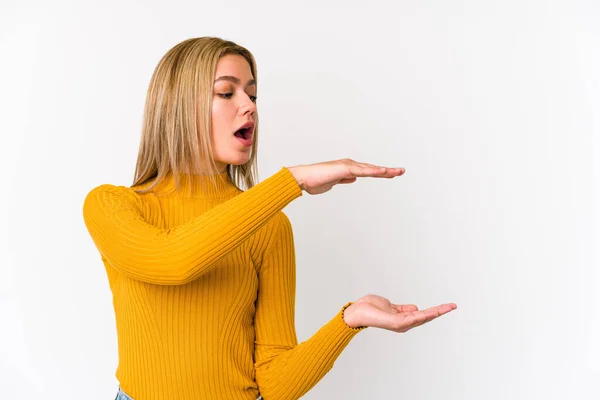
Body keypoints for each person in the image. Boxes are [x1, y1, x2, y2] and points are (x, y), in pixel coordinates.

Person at [82, 36, 457, 400]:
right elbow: (172, 261)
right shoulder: (113, 206)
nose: (249, 106)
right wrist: (291, 180)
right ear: (180, 105)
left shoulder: (269, 225)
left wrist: (350, 320)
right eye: (227, 93)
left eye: (253, 94)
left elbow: (276, 384)